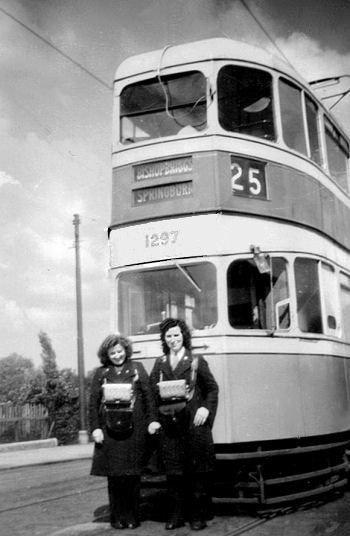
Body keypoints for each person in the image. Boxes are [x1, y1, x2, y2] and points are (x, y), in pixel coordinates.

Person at [149, 318, 219, 531]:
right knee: (174, 474)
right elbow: (152, 396)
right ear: (164, 339)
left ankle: (197, 517)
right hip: (170, 425)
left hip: (193, 425)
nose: (173, 340)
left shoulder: (196, 360)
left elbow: (212, 389)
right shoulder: (160, 363)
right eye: (168, 336)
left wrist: (205, 408)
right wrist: (153, 420)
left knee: (196, 473)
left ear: (184, 336)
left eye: (176, 335)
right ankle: (176, 516)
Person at [89, 334, 160, 530]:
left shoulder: (137, 368)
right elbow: (93, 403)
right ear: (107, 354)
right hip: (110, 430)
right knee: (115, 477)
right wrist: (95, 428)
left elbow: (149, 397)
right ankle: (117, 517)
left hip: (134, 429)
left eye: (120, 351)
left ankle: (132, 517)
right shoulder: (101, 373)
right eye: (113, 353)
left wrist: (153, 420)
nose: (117, 355)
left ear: (125, 351)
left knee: (133, 476)